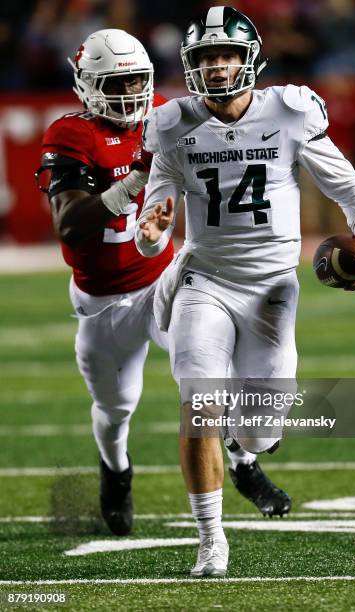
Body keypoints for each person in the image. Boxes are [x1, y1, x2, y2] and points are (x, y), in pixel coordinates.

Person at [135, 6, 355, 577]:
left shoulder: (290, 110)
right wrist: (150, 239)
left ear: (249, 60)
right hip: (206, 279)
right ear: (191, 65)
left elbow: (349, 187)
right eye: (206, 57)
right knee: (199, 403)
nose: (217, 67)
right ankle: (211, 540)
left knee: (261, 427)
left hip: (273, 288)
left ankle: (244, 454)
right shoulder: (172, 123)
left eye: (226, 55)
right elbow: (154, 221)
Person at [36, 29, 174, 536]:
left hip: (164, 281)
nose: (131, 94)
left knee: (203, 362)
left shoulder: (164, 114)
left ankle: (244, 462)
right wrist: (135, 179)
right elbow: (70, 224)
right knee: (117, 407)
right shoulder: (71, 134)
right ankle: (116, 471)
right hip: (102, 299)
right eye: (116, 84)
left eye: (138, 80)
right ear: (88, 86)